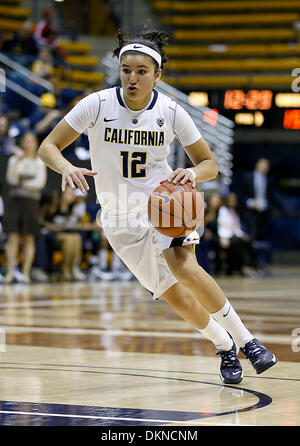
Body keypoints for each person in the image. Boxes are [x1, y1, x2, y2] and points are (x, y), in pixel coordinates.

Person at [38, 29, 278, 384]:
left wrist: (192, 172)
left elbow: (210, 164)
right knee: (176, 297)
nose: (132, 78)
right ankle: (224, 344)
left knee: (185, 268)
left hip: (162, 204)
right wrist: (67, 166)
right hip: (118, 216)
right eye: (126, 70)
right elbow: (48, 147)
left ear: (158, 75)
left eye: (141, 71)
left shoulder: (170, 111)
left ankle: (248, 341)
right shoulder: (97, 104)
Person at [5, 132, 47, 283]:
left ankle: (25, 273)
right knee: (13, 237)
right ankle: (10, 272)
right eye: (26, 141)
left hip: (31, 203)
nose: (29, 143)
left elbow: (39, 184)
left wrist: (23, 184)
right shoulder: (14, 159)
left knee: (29, 238)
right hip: (15, 201)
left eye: (31, 141)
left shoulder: (40, 162)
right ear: (22, 143)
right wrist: (18, 162)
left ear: (36, 144)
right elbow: (11, 179)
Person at [217, 192, 254, 276]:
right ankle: (241, 267)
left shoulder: (235, 211)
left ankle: (245, 266)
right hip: (225, 235)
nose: (233, 201)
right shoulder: (223, 210)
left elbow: (236, 226)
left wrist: (242, 234)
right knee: (237, 242)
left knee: (246, 241)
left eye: (234, 200)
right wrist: (222, 238)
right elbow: (222, 225)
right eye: (231, 200)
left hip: (234, 234)